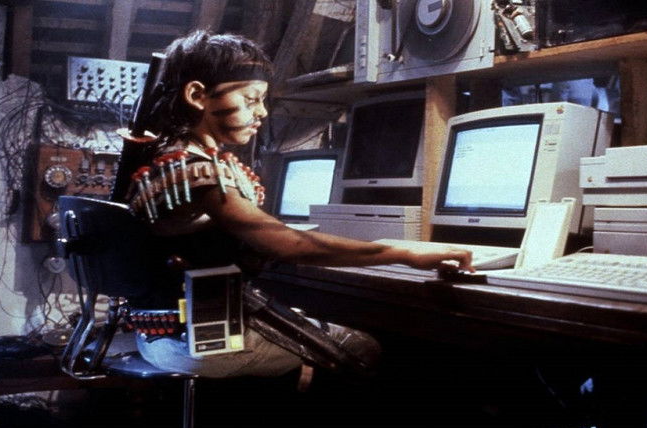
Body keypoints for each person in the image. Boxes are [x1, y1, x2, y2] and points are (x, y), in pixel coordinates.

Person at [122, 30, 473, 379]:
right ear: (197, 95)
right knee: (364, 347)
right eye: (250, 99)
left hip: (165, 335)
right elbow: (290, 246)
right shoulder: (198, 172)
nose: (261, 112)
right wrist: (405, 253)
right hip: (198, 340)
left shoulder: (171, 158)